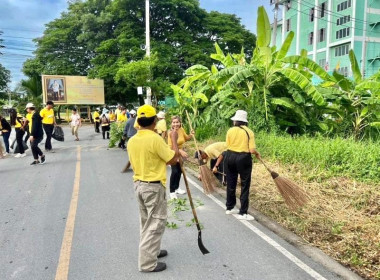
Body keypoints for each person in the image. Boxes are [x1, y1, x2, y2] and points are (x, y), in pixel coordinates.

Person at [127, 104, 179, 273]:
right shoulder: (155, 138)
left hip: (139, 185)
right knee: (156, 223)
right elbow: (172, 159)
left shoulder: (132, 140)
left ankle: (153, 251)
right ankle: (147, 263)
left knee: (146, 221)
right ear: (154, 121)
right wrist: (174, 141)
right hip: (153, 187)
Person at [224, 110, 260, 220]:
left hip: (229, 156)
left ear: (235, 120)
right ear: (245, 121)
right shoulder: (249, 132)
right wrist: (257, 153)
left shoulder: (230, 130)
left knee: (231, 181)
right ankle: (243, 212)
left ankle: (229, 208)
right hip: (243, 158)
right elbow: (252, 150)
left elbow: (227, 145)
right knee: (244, 184)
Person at [167, 115, 194, 199]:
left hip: (181, 154)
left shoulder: (181, 130)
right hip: (173, 154)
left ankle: (177, 188)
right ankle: (172, 191)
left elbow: (185, 138)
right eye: (174, 122)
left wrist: (191, 135)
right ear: (171, 123)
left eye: (177, 122)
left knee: (180, 171)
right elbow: (170, 146)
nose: (176, 124)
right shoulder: (170, 133)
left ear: (180, 123)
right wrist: (179, 151)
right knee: (174, 171)